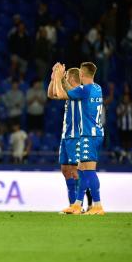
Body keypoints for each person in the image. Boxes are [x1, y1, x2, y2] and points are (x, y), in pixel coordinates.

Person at [55, 62, 105, 215]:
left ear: (82, 75)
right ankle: (77, 204)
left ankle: (97, 205)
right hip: (95, 133)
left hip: (89, 135)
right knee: (82, 170)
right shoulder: (97, 88)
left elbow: (64, 95)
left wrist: (58, 78)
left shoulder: (85, 89)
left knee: (89, 171)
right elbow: (74, 92)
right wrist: (64, 81)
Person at [48, 66, 85, 209]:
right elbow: (51, 94)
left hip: (76, 136)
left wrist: (59, 78)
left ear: (72, 78)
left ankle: (78, 205)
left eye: (66, 76)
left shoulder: (81, 91)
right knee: (65, 170)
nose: (65, 78)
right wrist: (53, 78)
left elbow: (61, 93)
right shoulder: (71, 92)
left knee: (75, 171)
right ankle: (71, 205)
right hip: (66, 136)